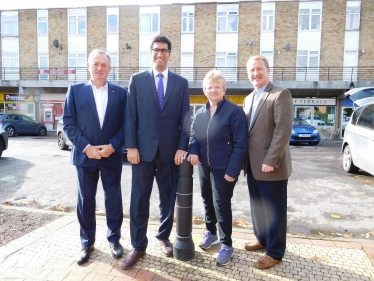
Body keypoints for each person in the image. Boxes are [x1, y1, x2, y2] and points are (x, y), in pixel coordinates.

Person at [122, 35, 191, 270]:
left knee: (167, 199)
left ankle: (163, 236)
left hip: (170, 152)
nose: (160, 54)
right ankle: (138, 246)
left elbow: (185, 118)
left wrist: (183, 146)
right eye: (156, 50)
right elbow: (130, 115)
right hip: (141, 152)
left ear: (170, 53)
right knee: (139, 199)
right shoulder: (137, 80)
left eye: (164, 50)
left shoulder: (181, 83)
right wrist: (130, 146)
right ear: (150, 52)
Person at [63, 49, 127, 265]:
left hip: (111, 157)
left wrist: (113, 146)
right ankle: (86, 242)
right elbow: (68, 124)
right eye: (96, 64)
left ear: (110, 68)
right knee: (86, 201)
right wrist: (85, 147)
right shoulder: (75, 90)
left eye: (104, 64)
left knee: (113, 200)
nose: (99, 68)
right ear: (88, 66)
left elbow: (126, 125)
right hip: (85, 157)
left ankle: (114, 239)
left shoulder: (121, 93)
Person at [187, 70, 247, 266]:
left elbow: (241, 144)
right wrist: (193, 151)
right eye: (210, 86)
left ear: (223, 89)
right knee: (207, 200)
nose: (213, 90)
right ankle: (211, 233)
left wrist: (233, 170)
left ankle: (227, 244)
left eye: (217, 86)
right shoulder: (201, 113)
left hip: (224, 168)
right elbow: (193, 137)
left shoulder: (234, 111)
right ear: (205, 89)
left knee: (221, 204)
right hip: (204, 166)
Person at [243, 55, 293, 269]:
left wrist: (271, 159)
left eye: (259, 69)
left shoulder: (280, 94)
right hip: (252, 166)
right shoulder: (248, 99)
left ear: (268, 70)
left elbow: (283, 130)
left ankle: (275, 251)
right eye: (251, 70)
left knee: (274, 209)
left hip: (271, 165)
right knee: (258, 207)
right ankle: (262, 239)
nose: (255, 73)